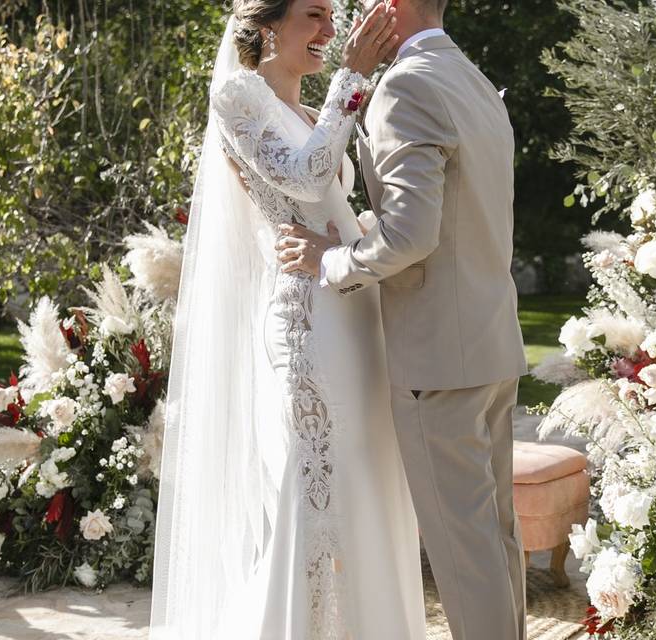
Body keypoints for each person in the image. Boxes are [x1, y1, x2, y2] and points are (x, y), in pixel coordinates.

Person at [149, 1, 428, 638]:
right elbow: (304, 178)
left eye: (332, 18)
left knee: (367, 481)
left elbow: (335, 202)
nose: (331, 32)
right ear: (269, 24)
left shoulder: (310, 110)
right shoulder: (237, 95)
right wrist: (353, 77)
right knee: (312, 487)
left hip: (354, 311)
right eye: (314, 15)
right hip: (308, 322)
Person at [276, 0, 530, 638]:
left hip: (438, 360)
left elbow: (412, 235)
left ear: (391, 7)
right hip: (491, 344)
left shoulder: (405, 87)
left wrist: (331, 260)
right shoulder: (471, 80)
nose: (352, 15)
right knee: (495, 543)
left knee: (466, 559)